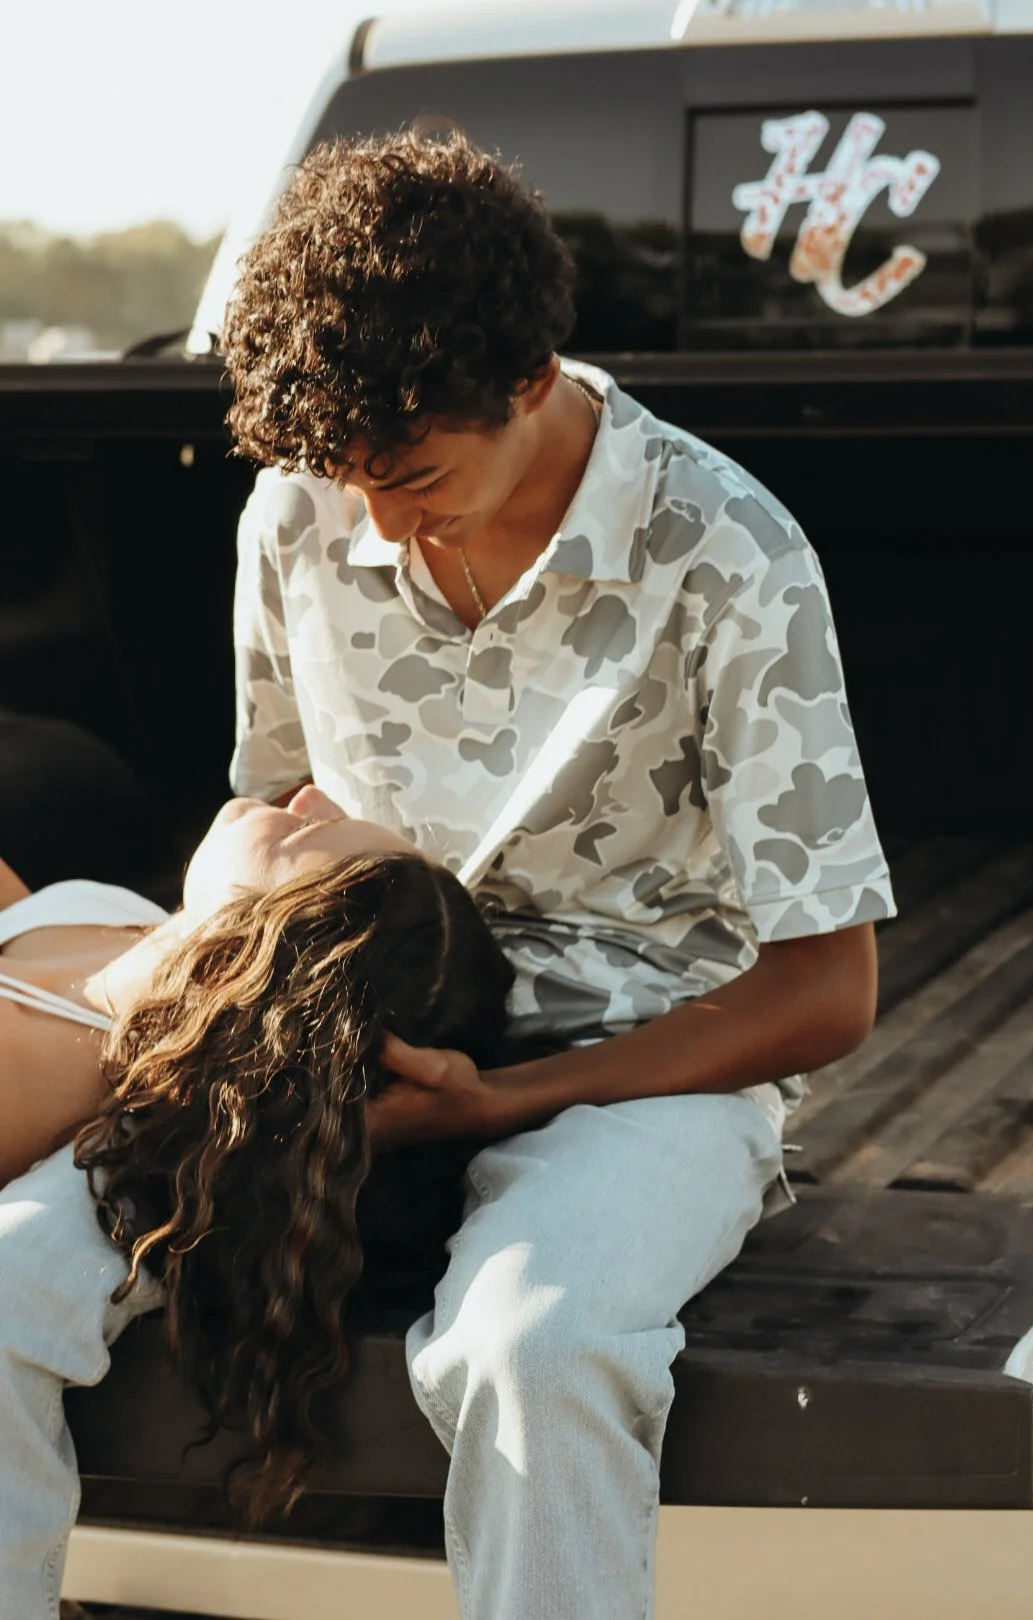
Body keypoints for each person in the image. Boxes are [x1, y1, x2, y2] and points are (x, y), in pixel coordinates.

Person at [0, 130, 895, 1620]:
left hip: (638, 1063)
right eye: (340, 478)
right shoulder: (301, 509)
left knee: (528, 1346)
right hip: (330, 1021)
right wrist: (233, 960)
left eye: (414, 477)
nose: (374, 528)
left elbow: (827, 986)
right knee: (4, 1287)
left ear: (533, 381)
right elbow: (267, 800)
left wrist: (510, 1100)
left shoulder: (729, 555)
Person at [0, 788, 518, 1549]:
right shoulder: (145, 944)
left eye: (322, 830)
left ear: (281, 945)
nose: (309, 794)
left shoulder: (33, 1079)